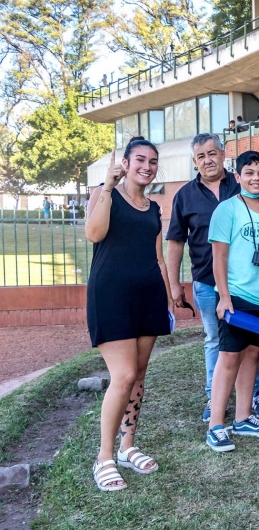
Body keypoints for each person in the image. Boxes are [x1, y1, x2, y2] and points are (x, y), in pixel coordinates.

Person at [85, 138, 172, 491]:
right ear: (125, 162)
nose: (147, 167)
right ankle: (104, 457)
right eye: (140, 159)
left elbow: (159, 257)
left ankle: (127, 446)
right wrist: (107, 185)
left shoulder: (153, 207)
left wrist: (167, 299)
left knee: (138, 374)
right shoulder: (107, 195)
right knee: (122, 375)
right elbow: (94, 233)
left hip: (148, 296)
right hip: (111, 296)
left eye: (153, 161)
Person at [166, 133, 259, 423]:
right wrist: (175, 285)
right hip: (206, 281)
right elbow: (175, 242)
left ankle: (255, 395)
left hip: (245, 282)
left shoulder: (240, 184)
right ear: (194, 161)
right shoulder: (184, 196)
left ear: (223, 154)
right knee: (215, 340)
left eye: (212, 153)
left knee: (250, 338)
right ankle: (215, 398)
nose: (207, 160)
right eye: (201, 156)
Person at [205, 151, 259, 452]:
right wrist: (224, 296)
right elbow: (219, 256)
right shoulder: (227, 210)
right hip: (237, 295)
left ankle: (243, 417)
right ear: (238, 177)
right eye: (249, 173)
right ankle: (216, 424)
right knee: (229, 358)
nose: (256, 178)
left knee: (253, 356)